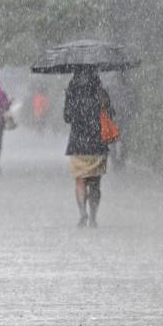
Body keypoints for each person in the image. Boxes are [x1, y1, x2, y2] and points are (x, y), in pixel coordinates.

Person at [64, 66, 115, 228]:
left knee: (80, 180)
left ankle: (82, 214)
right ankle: (93, 217)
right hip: (97, 142)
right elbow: (111, 114)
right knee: (95, 182)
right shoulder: (100, 92)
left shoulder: (72, 92)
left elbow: (67, 117)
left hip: (78, 143)